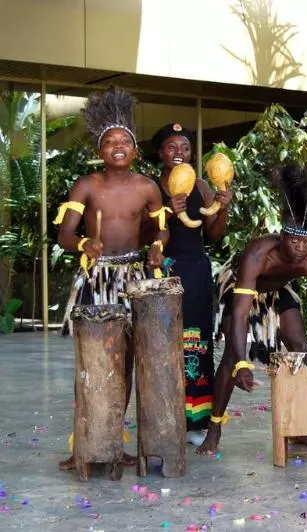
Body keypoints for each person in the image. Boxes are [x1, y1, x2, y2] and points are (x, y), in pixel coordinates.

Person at [56, 87, 169, 471]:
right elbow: (64, 235)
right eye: (110, 142)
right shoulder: (87, 185)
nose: (117, 146)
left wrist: (156, 248)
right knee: (92, 363)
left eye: (124, 141)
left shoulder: (148, 188)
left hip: (134, 277)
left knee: (125, 364)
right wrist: (84, 243)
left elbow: (161, 231)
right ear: (100, 150)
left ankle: (115, 442)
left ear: (135, 150)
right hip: (98, 280)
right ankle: (85, 443)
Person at [196, 163, 307, 454]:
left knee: (302, 348)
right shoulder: (259, 254)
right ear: (282, 235)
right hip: (240, 289)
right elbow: (239, 313)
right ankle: (214, 428)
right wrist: (241, 363)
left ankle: (300, 426)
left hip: (278, 290)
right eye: (295, 240)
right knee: (230, 361)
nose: (301, 248)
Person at [148, 124, 233, 446]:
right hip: (163, 271)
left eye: (184, 147)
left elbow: (214, 234)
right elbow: (144, 232)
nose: (179, 152)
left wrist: (222, 206)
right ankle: (165, 416)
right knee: (164, 343)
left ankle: (196, 421)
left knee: (197, 342)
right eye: (171, 147)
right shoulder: (152, 186)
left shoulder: (199, 184)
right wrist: (169, 212)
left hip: (196, 270)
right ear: (161, 153)